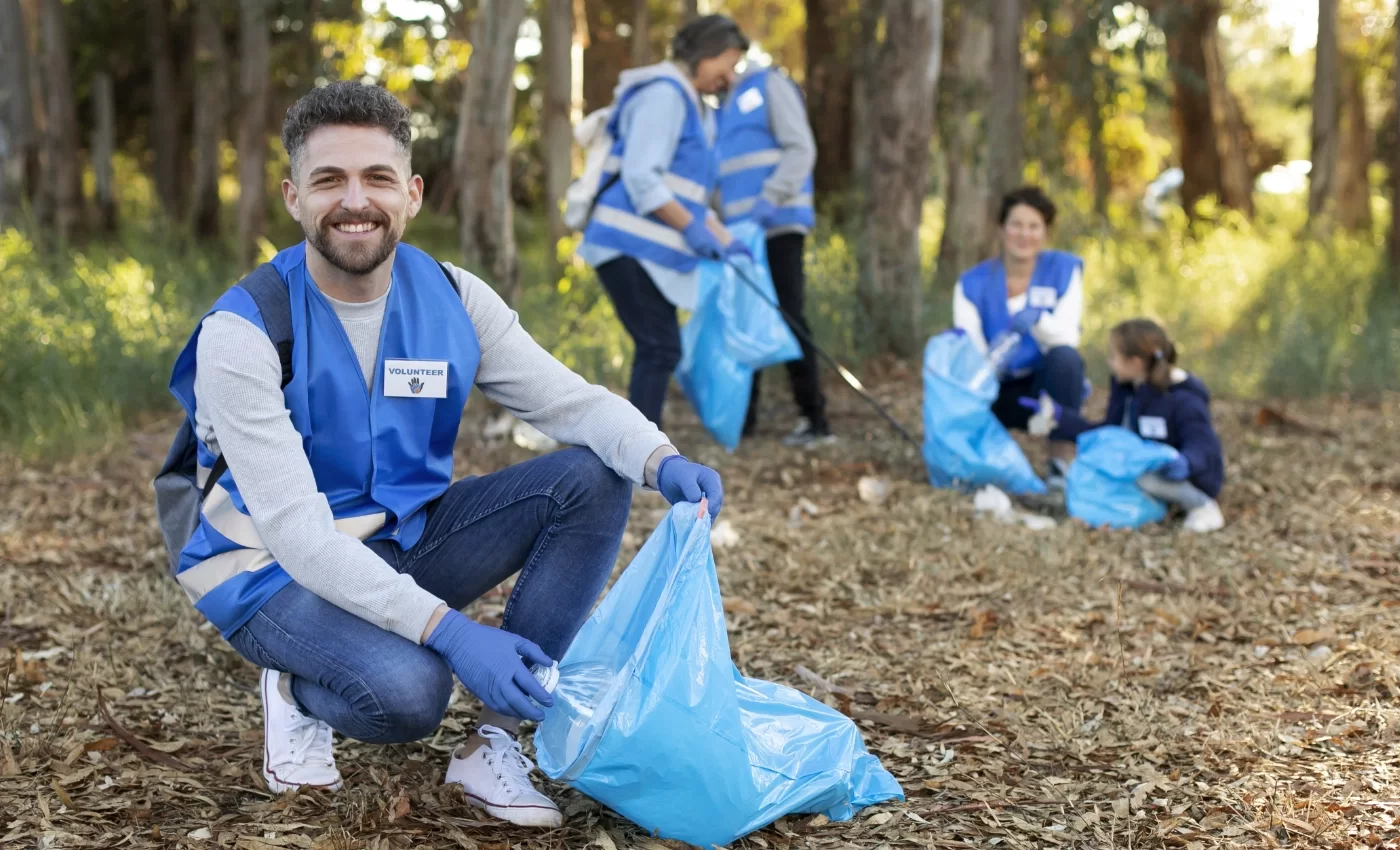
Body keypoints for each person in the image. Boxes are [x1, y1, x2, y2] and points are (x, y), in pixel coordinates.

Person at [164, 82, 724, 828]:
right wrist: (452, 632)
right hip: (268, 568)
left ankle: (495, 737)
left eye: (377, 178)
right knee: (411, 693)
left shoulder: (455, 298)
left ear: (413, 194)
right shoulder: (241, 331)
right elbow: (298, 535)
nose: (354, 200)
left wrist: (659, 458)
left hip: (402, 536)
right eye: (330, 180)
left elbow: (570, 401)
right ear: (294, 196)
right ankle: (296, 686)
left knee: (593, 472)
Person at [578, 14, 751, 428]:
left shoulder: (694, 105)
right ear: (701, 53)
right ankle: (639, 458)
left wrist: (725, 240)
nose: (730, 76)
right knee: (659, 347)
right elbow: (642, 178)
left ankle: (640, 454)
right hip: (624, 243)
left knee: (659, 348)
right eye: (726, 63)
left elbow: (688, 196)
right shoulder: (664, 96)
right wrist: (691, 230)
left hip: (639, 247)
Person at [716, 60, 833, 447]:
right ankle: (743, 420)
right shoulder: (724, 105)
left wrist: (770, 198)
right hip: (740, 235)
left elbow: (801, 148)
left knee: (787, 313)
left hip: (777, 223)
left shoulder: (769, 84)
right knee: (746, 319)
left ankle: (814, 418)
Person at [1019, 318, 1226, 532]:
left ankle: (1202, 506)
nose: (1110, 362)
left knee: (1146, 478)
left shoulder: (1183, 400)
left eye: (1114, 356)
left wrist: (1186, 462)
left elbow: (1203, 445)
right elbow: (1108, 435)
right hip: (1137, 467)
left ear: (1135, 362)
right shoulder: (1128, 392)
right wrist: (1058, 417)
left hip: (1174, 474)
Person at [953, 186, 1085, 487]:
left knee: (1067, 359)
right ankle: (980, 459)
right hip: (994, 389)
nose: (1024, 235)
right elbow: (971, 352)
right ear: (1001, 228)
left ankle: (1060, 464)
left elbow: (1066, 338)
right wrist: (997, 356)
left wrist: (1038, 320)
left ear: (1046, 232)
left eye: (1033, 226)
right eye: (1016, 224)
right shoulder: (972, 283)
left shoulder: (1063, 270)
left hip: (1043, 391)